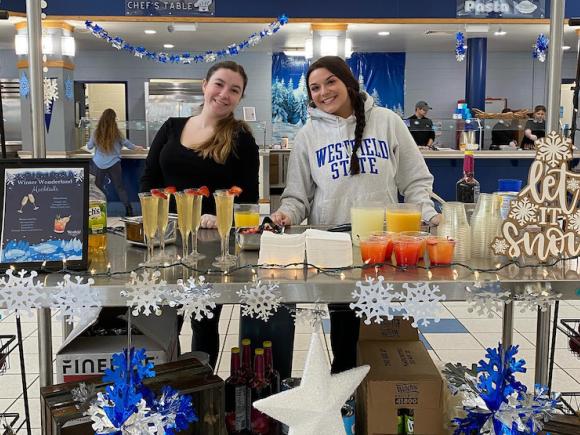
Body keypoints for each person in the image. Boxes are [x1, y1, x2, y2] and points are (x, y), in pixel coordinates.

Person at [271, 56, 439, 373]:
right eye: (315, 88)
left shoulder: (388, 121)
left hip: (384, 245)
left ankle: (380, 403)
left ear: (348, 82)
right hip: (334, 248)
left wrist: (429, 215)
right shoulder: (308, 135)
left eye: (330, 82)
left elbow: (416, 180)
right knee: (346, 337)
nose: (323, 92)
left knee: (381, 333)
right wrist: (286, 214)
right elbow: (297, 196)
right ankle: (347, 404)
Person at [140, 61, 260, 369]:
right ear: (204, 85)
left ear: (240, 98)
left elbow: (246, 195)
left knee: (203, 322)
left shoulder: (240, 138)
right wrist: (155, 220)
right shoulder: (171, 127)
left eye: (234, 90)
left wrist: (221, 218)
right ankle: (167, 388)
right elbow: (148, 179)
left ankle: (200, 388)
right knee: (164, 321)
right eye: (219, 84)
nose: (224, 94)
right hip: (166, 243)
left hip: (209, 246)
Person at [87, 108, 143, 217]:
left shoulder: (96, 132)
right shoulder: (117, 133)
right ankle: (128, 209)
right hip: (114, 164)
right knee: (119, 187)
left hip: (99, 164)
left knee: (97, 187)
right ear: (114, 119)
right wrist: (137, 148)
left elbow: (89, 146)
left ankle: (97, 210)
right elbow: (128, 144)